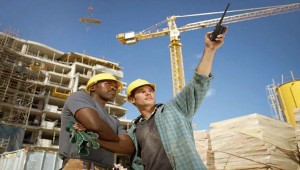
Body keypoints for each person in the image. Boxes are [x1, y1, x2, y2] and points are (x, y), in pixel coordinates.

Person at [126, 30, 227, 170]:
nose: (148, 94)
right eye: (142, 92)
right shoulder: (133, 131)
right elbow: (136, 164)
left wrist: (210, 49)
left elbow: (198, 82)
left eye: (150, 91)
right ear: (132, 99)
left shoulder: (176, 108)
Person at [59, 73, 134, 170]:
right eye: (108, 84)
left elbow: (128, 148)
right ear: (92, 87)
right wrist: (117, 140)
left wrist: (96, 140)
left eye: (115, 87)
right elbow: (95, 125)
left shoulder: (115, 121)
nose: (114, 88)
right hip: (79, 165)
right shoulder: (79, 96)